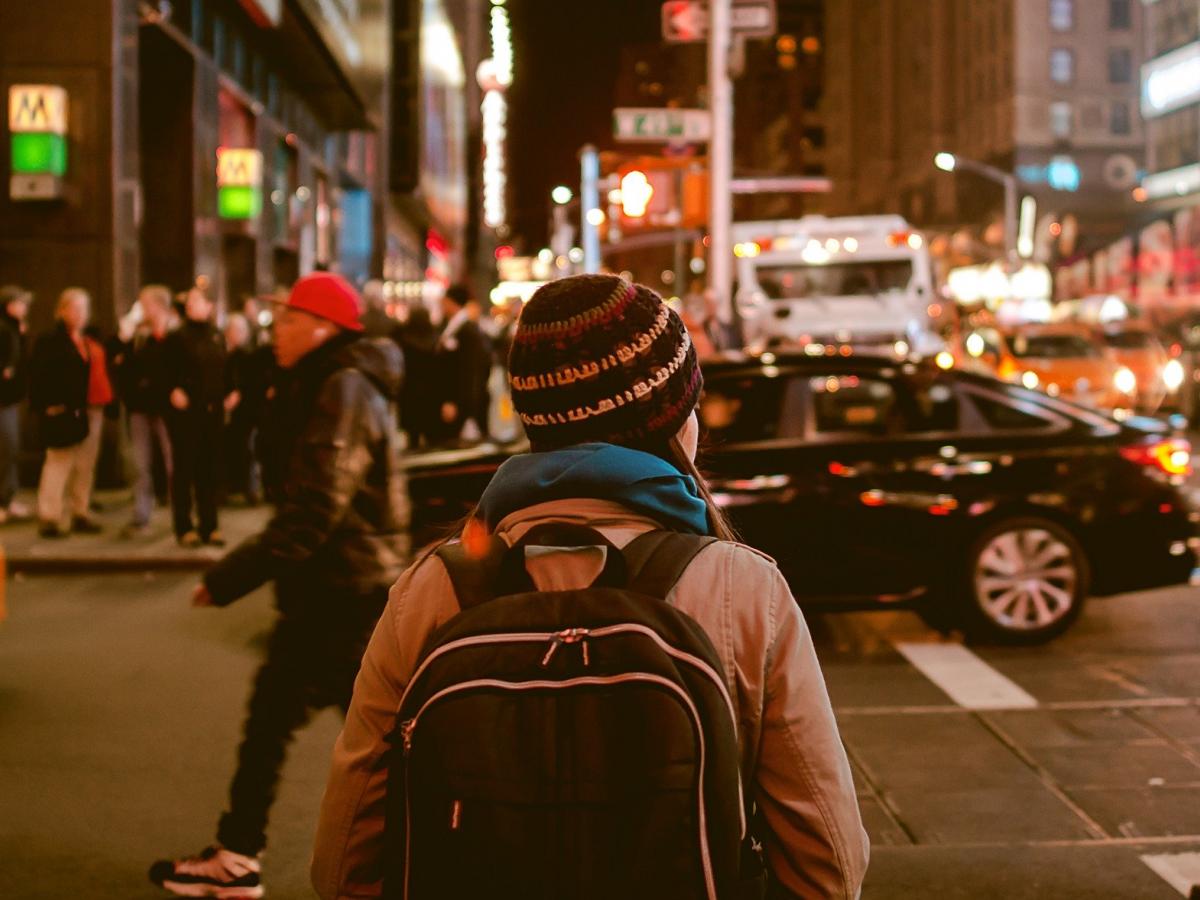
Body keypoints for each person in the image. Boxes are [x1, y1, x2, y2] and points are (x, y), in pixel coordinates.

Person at [310, 274, 870, 899]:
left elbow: (343, 864)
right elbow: (829, 863)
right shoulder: (741, 587)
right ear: (672, 422)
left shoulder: (434, 587)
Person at [150, 272, 409, 900]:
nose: (277, 332)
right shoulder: (327, 381)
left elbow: (317, 505)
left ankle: (444, 849)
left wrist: (230, 575)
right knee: (294, 725)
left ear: (323, 327)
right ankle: (238, 853)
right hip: (335, 586)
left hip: (342, 591)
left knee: (376, 740)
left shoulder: (342, 386)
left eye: (289, 320)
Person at [30, 288, 107, 537]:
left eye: (84, 309)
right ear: (62, 310)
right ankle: (50, 516)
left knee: (84, 464)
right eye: (75, 309)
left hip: (86, 409)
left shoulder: (86, 341)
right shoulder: (50, 341)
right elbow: (39, 375)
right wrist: (47, 405)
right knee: (59, 461)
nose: (80, 314)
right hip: (61, 409)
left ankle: (79, 511)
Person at [164, 288, 234, 547]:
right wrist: (173, 390)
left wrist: (231, 391)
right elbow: (165, 371)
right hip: (187, 414)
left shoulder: (216, 335)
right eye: (191, 301)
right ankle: (184, 526)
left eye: (199, 301)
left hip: (212, 411)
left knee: (210, 470)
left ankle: (210, 525)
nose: (194, 305)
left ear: (209, 306)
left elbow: (224, 368)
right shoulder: (177, 337)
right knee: (184, 470)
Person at [116, 285, 176, 537]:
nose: (141, 309)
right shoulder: (139, 336)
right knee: (141, 464)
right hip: (140, 407)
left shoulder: (174, 336)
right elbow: (125, 368)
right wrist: (124, 341)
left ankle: (180, 514)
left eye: (145, 304)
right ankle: (141, 514)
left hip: (167, 408)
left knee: (173, 461)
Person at [223, 313, 271, 505]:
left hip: (248, 412)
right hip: (236, 412)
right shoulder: (229, 355)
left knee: (248, 451)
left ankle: (249, 489)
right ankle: (238, 486)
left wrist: (239, 393)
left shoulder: (249, 356)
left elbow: (253, 383)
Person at [434, 283, 491, 444]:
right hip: (453, 402)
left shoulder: (467, 331)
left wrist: (458, 403)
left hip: (461, 405)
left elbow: (470, 371)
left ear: (451, 302)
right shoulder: (452, 326)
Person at [0, 285, 33, 523]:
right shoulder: (4, 328)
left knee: (11, 449)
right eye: (21, 303)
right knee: (6, 448)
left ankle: (8, 497)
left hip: (11, 397)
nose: (25, 308)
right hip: (3, 398)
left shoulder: (15, 329)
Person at [396, 305, 439, 450]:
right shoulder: (436, 339)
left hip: (410, 394)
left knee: (412, 436)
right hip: (431, 394)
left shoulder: (402, 339)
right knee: (432, 436)